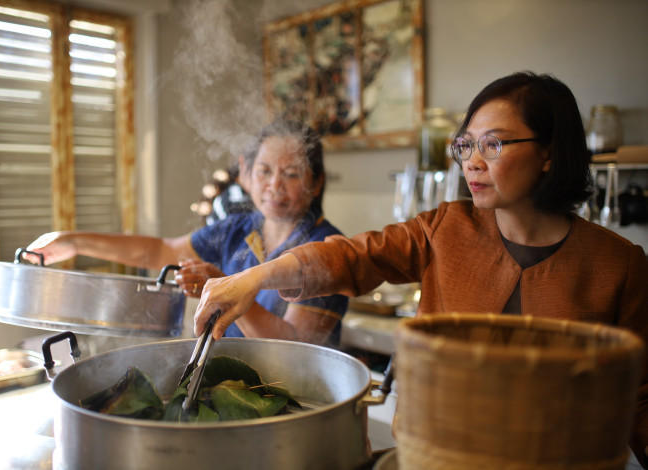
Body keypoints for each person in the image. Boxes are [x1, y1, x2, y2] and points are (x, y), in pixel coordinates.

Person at [192, 72, 648, 466]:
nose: (472, 160)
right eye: (466, 144)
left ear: (549, 152)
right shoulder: (446, 227)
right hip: (433, 454)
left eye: (494, 144)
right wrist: (256, 277)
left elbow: (639, 398)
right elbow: (354, 255)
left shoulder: (618, 265)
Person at [25, 118, 349, 347]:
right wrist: (74, 241)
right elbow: (158, 251)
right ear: (246, 174)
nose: (274, 186)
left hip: (295, 402)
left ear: (316, 182)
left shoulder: (327, 250)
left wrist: (229, 289)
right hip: (231, 385)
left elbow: (295, 348)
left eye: (291, 174)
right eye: (264, 171)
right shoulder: (238, 229)